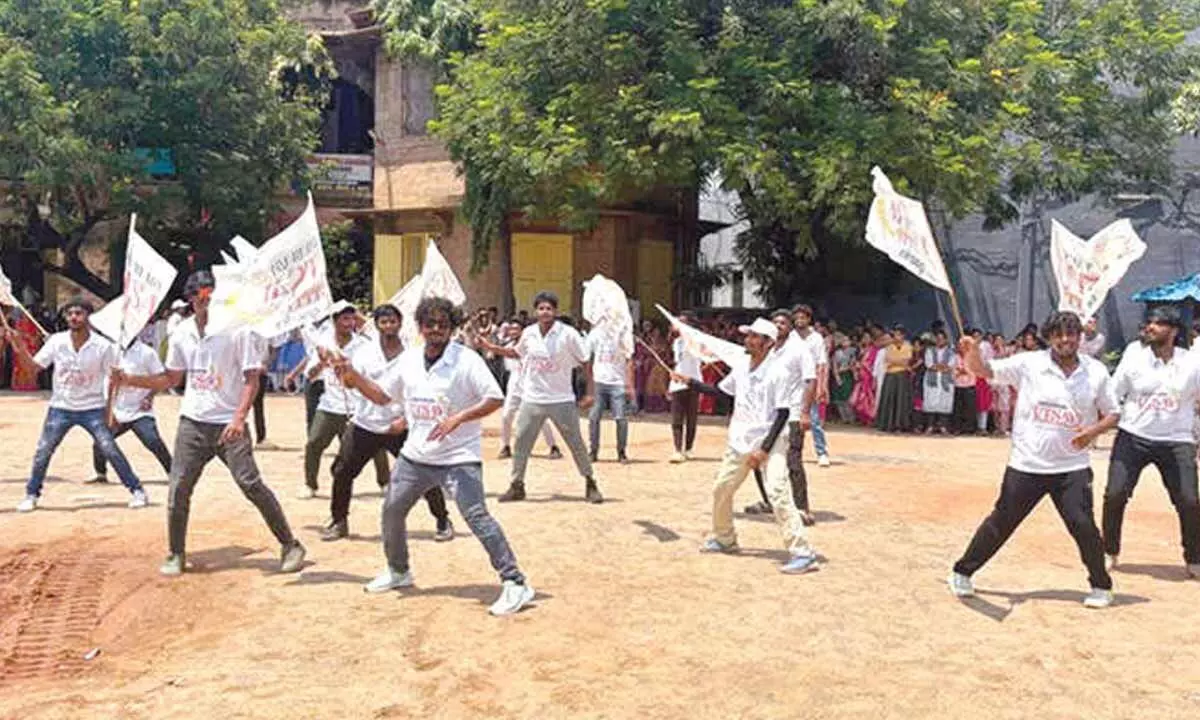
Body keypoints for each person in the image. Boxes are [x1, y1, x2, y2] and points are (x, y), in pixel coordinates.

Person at [335, 296, 536, 616]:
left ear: (452, 328)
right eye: (430, 324)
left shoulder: (466, 360)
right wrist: (353, 376)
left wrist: (459, 418)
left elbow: (494, 398)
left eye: (443, 324)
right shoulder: (409, 360)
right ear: (420, 327)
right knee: (392, 510)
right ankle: (398, 570)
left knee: (477, 517)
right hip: (415, 456)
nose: (436, 329)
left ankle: (515, 582)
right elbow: (383, 397)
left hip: (458, 457)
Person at [111, 271, 305, 576]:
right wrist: (129, 380)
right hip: (193, 423)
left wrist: (239, 417)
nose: (207, 302)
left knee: (250, 483)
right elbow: (171, 378)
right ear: (191, 299)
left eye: (211, 295)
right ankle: (176, 552)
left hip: (229, 424)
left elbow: (252, 378)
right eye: (200, 297)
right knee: (178, 488)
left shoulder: (239, 330)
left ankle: (290, 545)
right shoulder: (181, 333)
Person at [947, 311, 1118, 608]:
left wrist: (1091, 432)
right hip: (1027, 465)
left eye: (1071, 333)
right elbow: (984, 370)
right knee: (1002, 521)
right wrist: (971, 352)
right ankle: (962, 572)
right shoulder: (1029, 364)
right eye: (1058, 334)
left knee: (1083, 525)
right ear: (1048, 338)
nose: (1065, 340)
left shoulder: (1096, 372)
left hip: (1072, 467)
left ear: (1079, 337)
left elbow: (1114, 413)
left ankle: (1101, 586)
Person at [674, 318, 820, 574]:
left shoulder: (779, 372)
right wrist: (690, 382)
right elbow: (723, 392)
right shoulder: (742, 365)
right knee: (722, 488)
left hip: (771, 441)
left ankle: (803, 552)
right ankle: (725, 538)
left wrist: (763, 450)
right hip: (740, 440)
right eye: (748, 335)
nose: (748, 340)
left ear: (768, 343)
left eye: (754, 337)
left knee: (777, 492)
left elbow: (783, 414)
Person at [318, 304, 452, 542]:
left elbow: (423, 391)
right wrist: (342, 373)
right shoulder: (364, 353)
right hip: (366, 423)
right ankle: (339, 521)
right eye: (383, 322)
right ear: (377, 325)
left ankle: (443, 520)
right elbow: (351, 383)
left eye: (393, 321)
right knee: (342, 471)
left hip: (400, 425)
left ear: (400, 324)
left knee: (424, 472)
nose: (389, 326)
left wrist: (406, 419)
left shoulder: (413, 355)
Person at [6, 298, 148, 512]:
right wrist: (19, 347)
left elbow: (114, 380)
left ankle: (137, 490)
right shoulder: (56, 342)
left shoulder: (103, 346)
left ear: (89, 317)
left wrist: (111, 410)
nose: (73, 317)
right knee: (43, 451)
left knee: (109, 448)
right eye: (70, 313)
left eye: (79, 313)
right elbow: (32, 369)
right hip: (60, 407)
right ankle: (31, 494)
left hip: (93, 408)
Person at [1101, 306, 1200, 577]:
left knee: (1189, 500)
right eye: (1149, 322)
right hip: (1133, 436)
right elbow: (1113, 393)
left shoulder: (1192, 362)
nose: (1151, 327)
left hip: (1177, 440)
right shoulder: (1134, 356)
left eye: (1158, 323)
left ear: (1174, 330)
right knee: (1115, 494)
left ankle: (1194, 558)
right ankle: (1109, 550)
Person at [479, 291, 603, 504]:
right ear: (536, 311)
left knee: (575, 443)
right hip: (532, 398)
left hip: (561, 399)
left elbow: (585, 361)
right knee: (521, 443)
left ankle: (590, 482)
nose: (545, 312)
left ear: (555, 311)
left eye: (549, 308)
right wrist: (492, 348)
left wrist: (590, 392)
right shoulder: (529, 333)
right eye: (541, 308)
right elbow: (517, 353)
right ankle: (517, 485)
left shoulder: (568, 334)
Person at [299, 302, 388, 500]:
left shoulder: (363, 346)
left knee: (375, 445)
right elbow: (310, 376)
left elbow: (371, 374)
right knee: (313, 443)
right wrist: (322, 363)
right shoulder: (324, 343)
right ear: (335, 321)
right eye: (345, 319)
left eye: (352, 319)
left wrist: (346, 367)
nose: (349, 323)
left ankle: (385, 482)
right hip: (330, 406)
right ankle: (310, 484)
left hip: (357, 407)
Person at [89, 325, 173, 484]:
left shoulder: (147, 353)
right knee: (100, 441)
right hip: (117, 408)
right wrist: (108, 410)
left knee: (153, 441)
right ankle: (101, 474)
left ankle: (172, 473)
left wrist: (150, 396)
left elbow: (161, 379)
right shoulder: (110, 351)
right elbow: (104, 381)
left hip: (139, 409)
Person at [497, 321, 561, 459]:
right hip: (514, 385)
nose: (513, 332)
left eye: (516, 329)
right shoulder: (507, 346)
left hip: (530, 386)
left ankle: (553, 447)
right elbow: (509, 366)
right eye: (511, 329)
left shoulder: (531, 346)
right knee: (506, 415)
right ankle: (505, 446)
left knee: (540, 417)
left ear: (523, 331)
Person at [586, 323, 634, 462]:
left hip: (618, 382)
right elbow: (588, 358)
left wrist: (629, 384)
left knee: (620, 418)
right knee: (593, 417)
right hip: (599, 381)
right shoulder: (594, 334)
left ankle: (621, 451)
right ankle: (593, 451)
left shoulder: (623, 334)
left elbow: (629, 360)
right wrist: (589, 385)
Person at [792, 305, 832, 466]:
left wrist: (822, 386)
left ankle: (822, 452)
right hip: (792, 381)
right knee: (791, 419)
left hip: (810, 381)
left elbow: (822, 363)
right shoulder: (790, 336)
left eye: (803, 318)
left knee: (814, 419)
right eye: (797, 318)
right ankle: (793, 452)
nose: (799, 321)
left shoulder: (816, 338)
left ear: (809, 319)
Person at [668, 312, 703, 462]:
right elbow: (678, 362)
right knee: (677, 418)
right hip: (678, 382)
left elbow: (702, 359)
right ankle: (677, 450)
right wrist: (673, 373)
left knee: (691, 418)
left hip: (694, 381)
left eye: (682, 322)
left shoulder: (698, 340)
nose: (677, 324)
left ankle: (688, 448)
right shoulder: (677, 342)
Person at [875, 325, 914, 433]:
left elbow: (906, 361)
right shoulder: (889, 347)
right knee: (889, 399)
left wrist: (895, 361)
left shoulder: (907, 346)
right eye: (895, 335)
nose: (896, 337)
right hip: (890, 374)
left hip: (902, 375)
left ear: (903, 336)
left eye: (898, 335)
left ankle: (899, 425)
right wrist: (899, 361)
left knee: (901, 400)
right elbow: (888, 360)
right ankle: (888, 424)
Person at [923, 330, 955, 434]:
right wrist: (941, 366)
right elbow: (929, 364)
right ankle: (930, 426)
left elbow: (951, 365)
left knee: (944, 402)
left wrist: (939, 366)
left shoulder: (951, 352)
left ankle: (943, 426)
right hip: (932, 379)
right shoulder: (929, 350)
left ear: (945, 340)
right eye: (938, 339)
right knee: (931, 401)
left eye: (941, 339)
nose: (939, 341)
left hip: (945, 379)